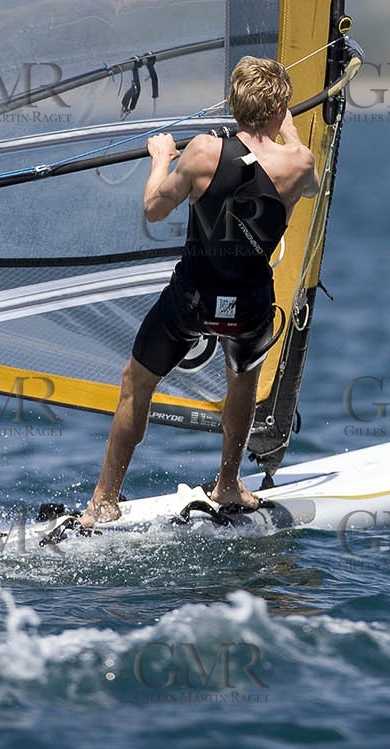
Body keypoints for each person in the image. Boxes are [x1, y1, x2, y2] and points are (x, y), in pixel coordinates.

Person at [79, 56, 320, 527]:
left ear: (234, 106)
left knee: (136, 383)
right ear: (277, 110)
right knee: (243, 383)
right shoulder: (298, 163)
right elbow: (309, 184)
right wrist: (288, 130)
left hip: (191, 299)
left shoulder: (203, 153)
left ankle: (105, 500)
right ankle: (228, 483)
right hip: (249, 305)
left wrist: (161, 158)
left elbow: (152, 209)